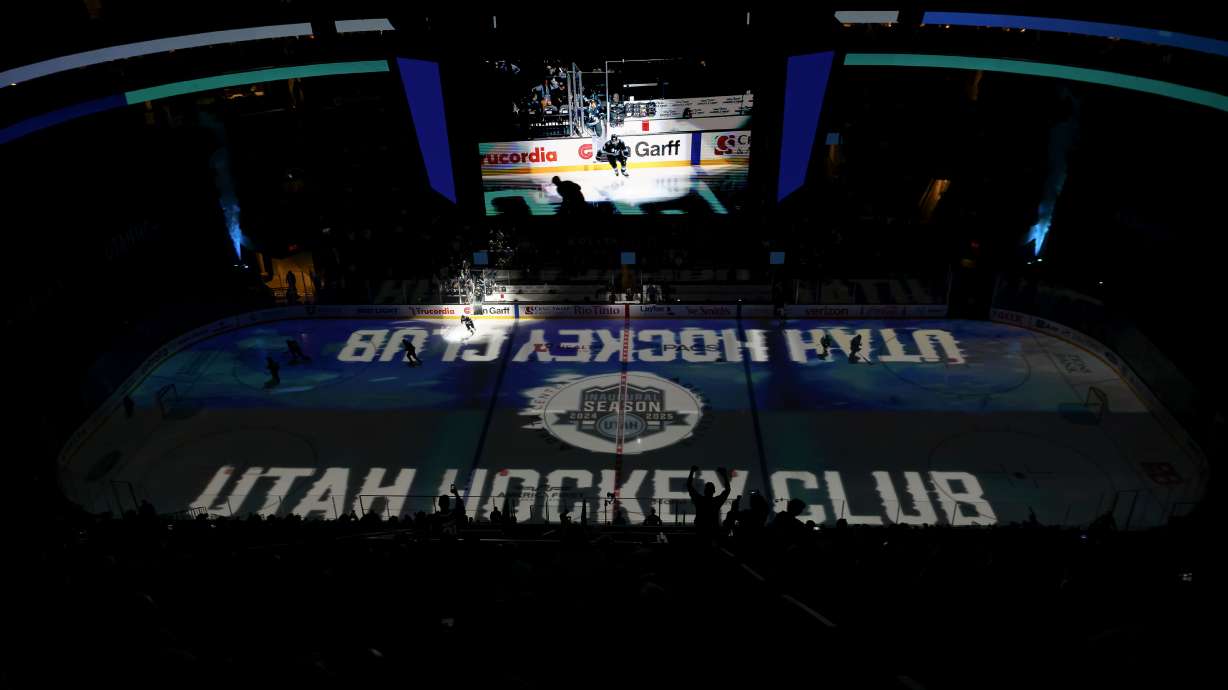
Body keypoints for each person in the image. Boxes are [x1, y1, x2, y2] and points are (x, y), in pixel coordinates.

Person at [687, 465, 731, 539]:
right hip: (713, 531)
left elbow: (689, 486)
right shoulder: (716, 501)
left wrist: (692, 471)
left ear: (704, 491)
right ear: (714, 491)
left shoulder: (699, 500)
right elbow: (728, 489)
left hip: (701, 531)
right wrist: (724, 475)